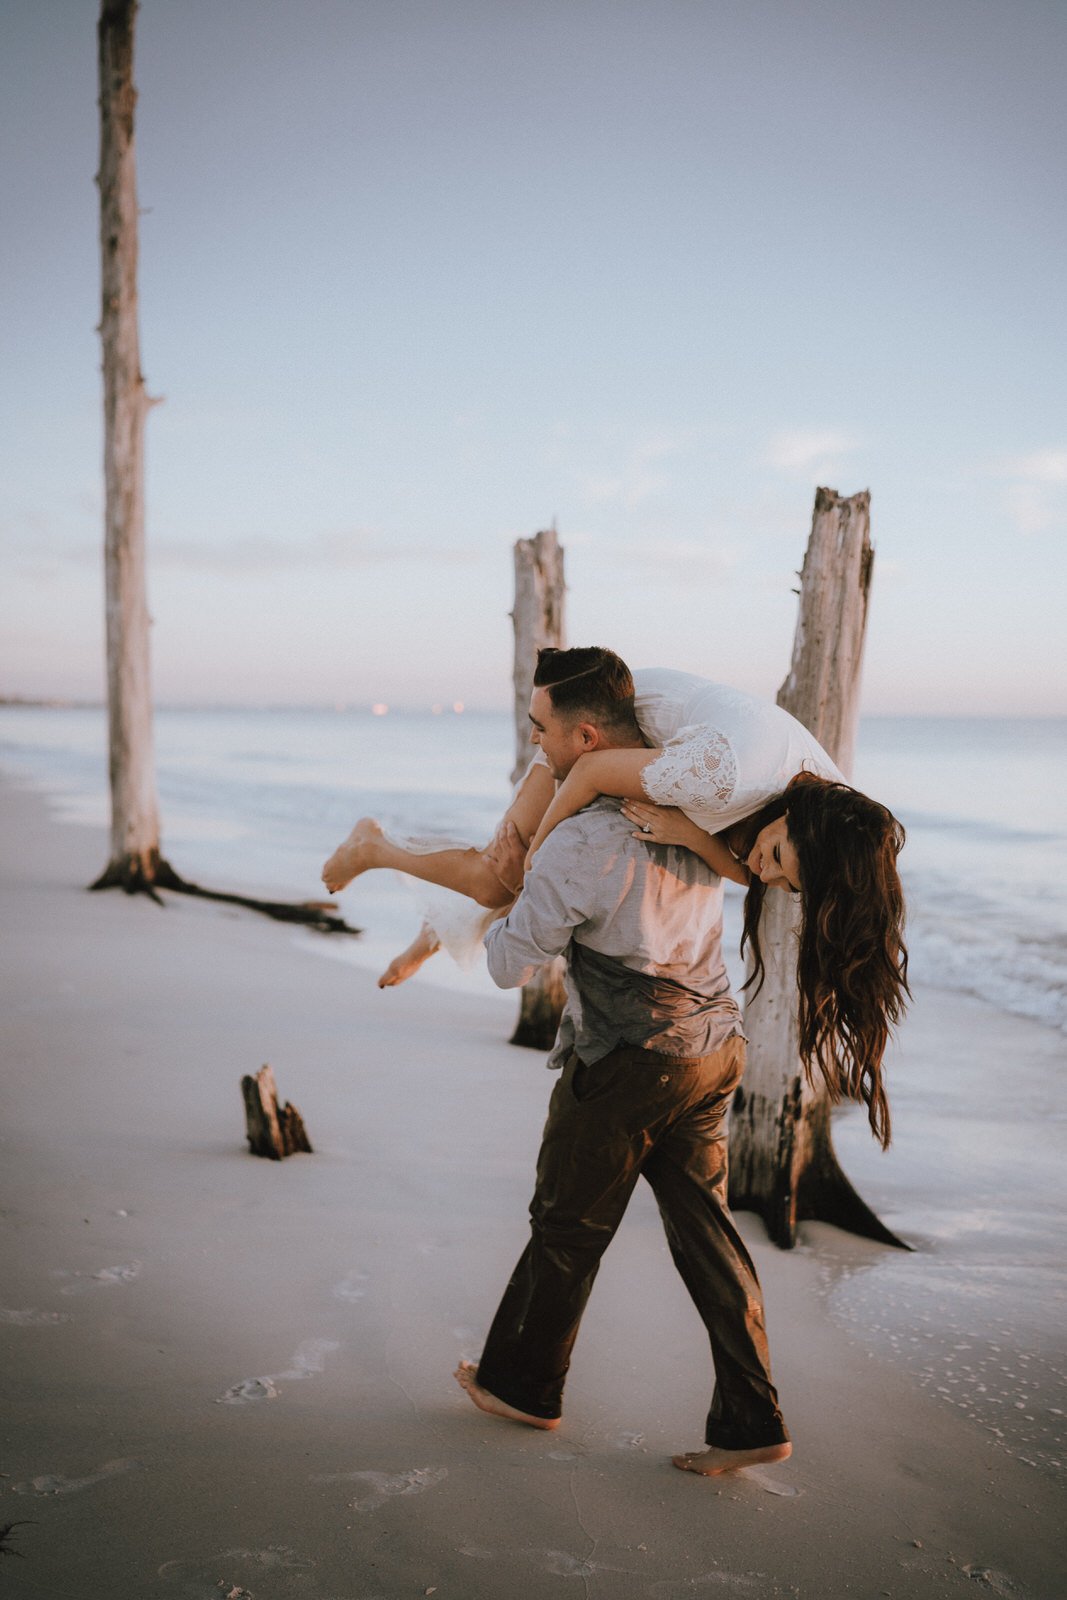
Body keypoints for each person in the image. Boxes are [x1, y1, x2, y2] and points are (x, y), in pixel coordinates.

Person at [322, 647, 909, 1145]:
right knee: (500, 876)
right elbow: (591, 772)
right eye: (778, 858)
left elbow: (750, 869)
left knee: (522, 881)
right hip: (599, 729)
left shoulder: (832, 814)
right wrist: (540, 854)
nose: (769, 876)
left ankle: (436, 931)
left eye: (789, 880)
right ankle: (375, 847)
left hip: (672, 749)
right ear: (791, 819)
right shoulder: (723, 778)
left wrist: (688, 836)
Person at [452, 646, 791, 1473]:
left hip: (626, 1067)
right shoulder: (691, 813)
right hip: (713, 1052)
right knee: (708, 1236)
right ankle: (754, 1423)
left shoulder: (578, 844)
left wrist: (510, 895)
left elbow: (506, 964)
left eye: (539, 732)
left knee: (567, 1229)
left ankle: (523, 1390)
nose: (534, 748)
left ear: (586, 735)